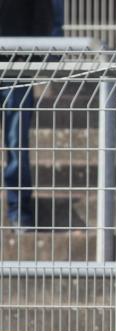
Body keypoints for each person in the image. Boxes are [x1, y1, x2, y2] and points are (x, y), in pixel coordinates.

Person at [0, 0, 52, 232]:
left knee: (16, 142)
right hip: (16, 64)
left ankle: (19, 209)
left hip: (16, 65)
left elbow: (42, 11)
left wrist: (32, 54)